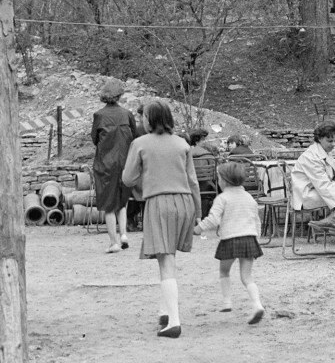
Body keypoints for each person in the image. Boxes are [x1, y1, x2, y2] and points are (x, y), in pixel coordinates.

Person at [122, 100, 201, 339]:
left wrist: (142, 185)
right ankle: (164, 311)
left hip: (159, 202)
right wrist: (198, 213)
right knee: (168, 258)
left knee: (165, 261)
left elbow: (127, 178)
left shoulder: (140, 143)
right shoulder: (182, 143)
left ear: (151, 119)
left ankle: (174, 322)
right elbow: (193, 181)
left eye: (144, 116)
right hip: (185, 202)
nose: (142, 120)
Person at [194, 162, 264, 323]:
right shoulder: (249, 198)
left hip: (230, 239)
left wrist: (199, 228)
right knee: (247, 277)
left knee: (224, 272)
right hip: (249, 238)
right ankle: (257, 305)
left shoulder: (222, 198)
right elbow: (256, 220)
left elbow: (213, 219)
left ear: (224, 180)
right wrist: (256, 239)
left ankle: (227, 302)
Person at [91, 78, 138, 253]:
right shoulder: (127, 114)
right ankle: (124, 234)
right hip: (125, 162)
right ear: (120, 95)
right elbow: (134, 136)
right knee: (122, 200)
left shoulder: (99, 115)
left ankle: (113, 242)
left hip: (105, 164)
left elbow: (95, 139)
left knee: (108, 204)